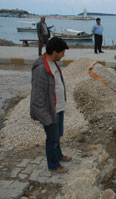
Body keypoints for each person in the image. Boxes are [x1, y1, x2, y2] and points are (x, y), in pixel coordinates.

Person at [30, 37, 71, 173]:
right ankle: (53, 166)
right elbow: (37, 97)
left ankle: (58, 156)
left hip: (58, 108)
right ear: (54, 52)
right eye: (62, 52)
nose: (63, 55)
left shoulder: (53, 63)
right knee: (52, 139)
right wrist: (45, 118)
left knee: (58, 136)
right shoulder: (41, 69)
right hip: (49, 111)